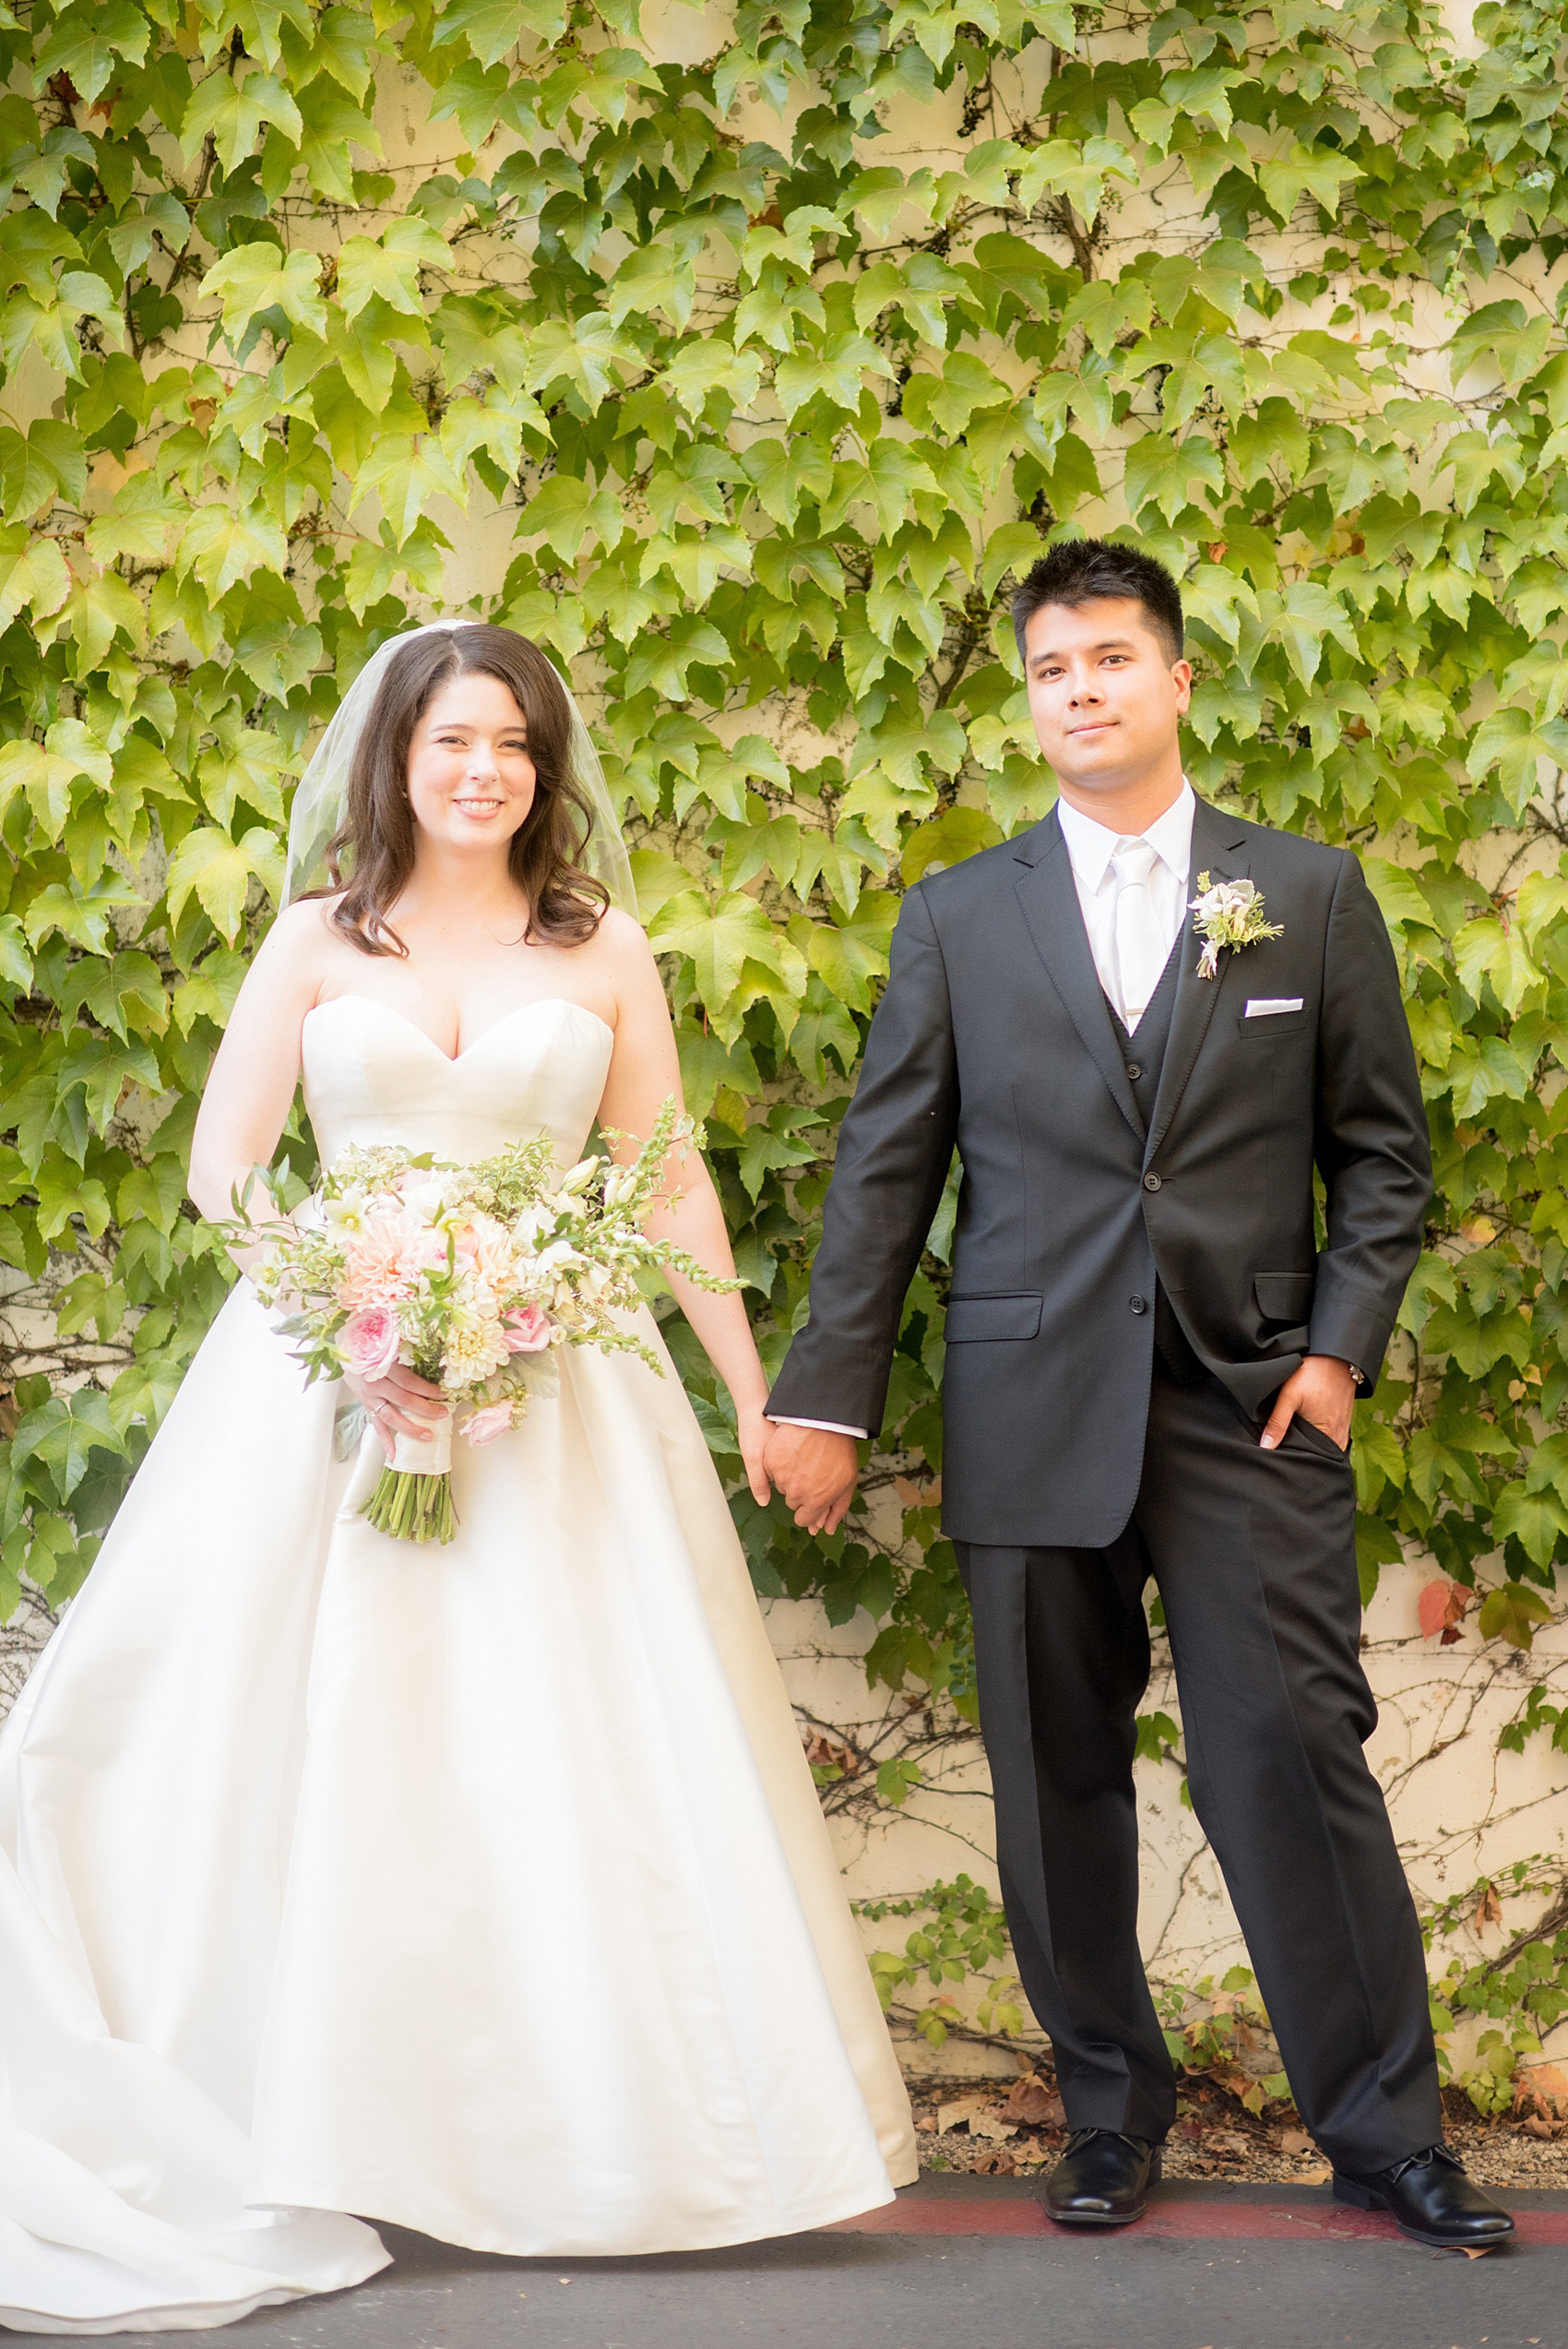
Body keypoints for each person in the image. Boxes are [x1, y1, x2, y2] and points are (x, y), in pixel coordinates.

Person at [0, 623, 914, 2334]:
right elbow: (226, 1167)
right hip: (332, 1393)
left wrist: (758, 1397)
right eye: (451, 742)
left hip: (561, 1393)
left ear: (544, 769)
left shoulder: (607, 949)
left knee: (553, 1747)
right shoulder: (307, 940)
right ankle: (303, 2116)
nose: (483, 768)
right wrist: (351, 1314)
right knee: (311, 1735)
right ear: (395, 761)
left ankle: (579, 2137)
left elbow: (665, 1183)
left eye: (512, 742)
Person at [764, 538, 1515, 2250]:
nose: (1082, 688)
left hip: (1251, 1398)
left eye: (1112, 658)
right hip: (1031, 1398)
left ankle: (1385, 2128)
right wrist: (829, 1397)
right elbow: (888, 1174)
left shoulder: (1306, 894)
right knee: (1052, 1772)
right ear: (1029, 701)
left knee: (1295, 1755)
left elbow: (1382, 1156)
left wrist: (1334, 1354)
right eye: (1051, 669)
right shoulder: (960, 912)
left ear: (1178, 680)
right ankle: (1106, 2108)